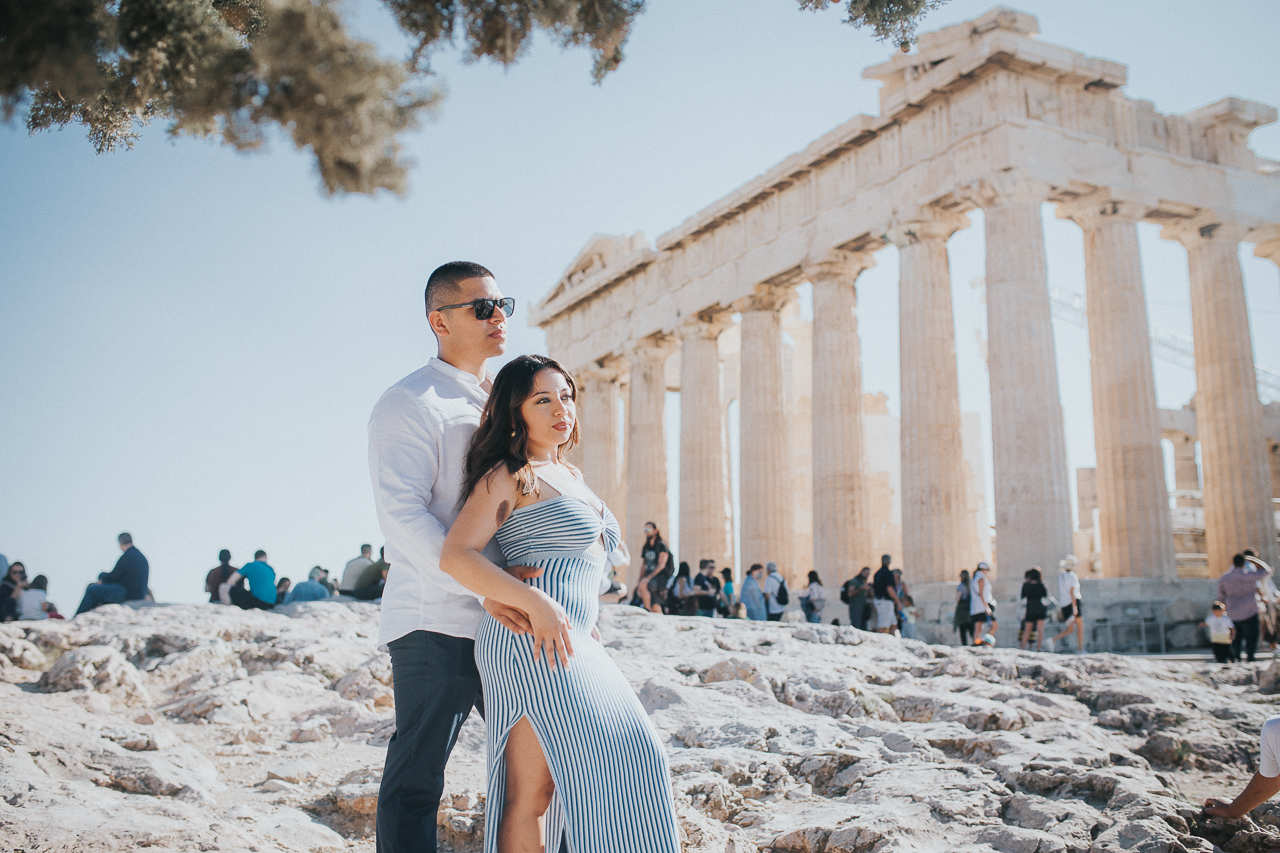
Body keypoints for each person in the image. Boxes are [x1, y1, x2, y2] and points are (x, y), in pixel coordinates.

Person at [439, 353, 680, 853]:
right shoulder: (509, 474)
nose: (560, 409)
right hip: (528, 640)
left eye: (566, 396)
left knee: (637, 756)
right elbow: (456, 555)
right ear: (515, 411)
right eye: (542, 399)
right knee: (533, 793)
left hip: (577, 642)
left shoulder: (571, 475)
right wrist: (530, 600)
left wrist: (585, 621)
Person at [367, 261, 544, 853]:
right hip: (433, 619)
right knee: (418, 776)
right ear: (438, 321)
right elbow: (404, 517)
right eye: (482, 308)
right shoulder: (408, 402)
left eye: (503, 305)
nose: (499, 317)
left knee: (548, 764)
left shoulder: (506, 398)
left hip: (507, 618)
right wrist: (486, 586)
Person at [1204, 716, 1280, 819]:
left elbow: (1272, 776)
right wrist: (1232, 810)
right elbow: (1272, 776)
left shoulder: (1275, 727)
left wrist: (1232, 810)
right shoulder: (1275, 728)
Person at [75, 533, 149, 616]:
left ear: (120, 543)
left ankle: (78, 615)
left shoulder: (128, 556)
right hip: (138, 594)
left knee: (92, 589)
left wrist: (102, 577)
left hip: (127, 594)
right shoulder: (140, 556)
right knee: (96, 590)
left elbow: (113, 576)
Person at [1220, 553, 1264, 663]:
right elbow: (1267, 571)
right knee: (1252, 636)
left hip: (1233, 612)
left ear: (1232, 563)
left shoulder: (1225, 578)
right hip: (1250, 610)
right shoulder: (1249, 575)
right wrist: (1254, 560)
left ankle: (1236, 657)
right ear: (1244, 563)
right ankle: (1250, 657)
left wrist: (1223, 611)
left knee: (1235, 637)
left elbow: (1221, 597)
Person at [1051, 557, 1084, 654]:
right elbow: (1072, 592)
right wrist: (1075, 607)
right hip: (1073, 603)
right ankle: (1080, 650)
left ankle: (1052, 640)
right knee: (1080, 627)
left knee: (1070, 629)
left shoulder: (1061, 576)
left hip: (1064, 604)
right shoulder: (1072, 576)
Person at [636, 523, 671, 613]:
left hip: (660, 577)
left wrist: (648, 578)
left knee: (646, 588)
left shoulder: (661, 545)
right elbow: (643, 565)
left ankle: (647, 609)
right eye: (645, 530)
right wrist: (640, 579)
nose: (646, 532)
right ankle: (651, 611)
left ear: (655, 531)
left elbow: (661, 565)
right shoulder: (646, 547)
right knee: (655, 603)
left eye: (649, 530)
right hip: (649, 577)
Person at [1019, 567, 1049, 651]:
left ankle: (1023, 647)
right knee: (1040, 630)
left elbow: (1022, 596)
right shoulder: (1041, 584)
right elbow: (1045, 595)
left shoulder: (1026, 585)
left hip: (1030, 608)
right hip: (1040, 607)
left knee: (1027, 630)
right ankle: (1038, 648)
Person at [969, 561, 997, 645]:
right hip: (982, 607)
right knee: (994, 625)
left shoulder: (974, 578)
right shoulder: (981, 578)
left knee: (978, 628)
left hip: (975, 607)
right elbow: (982, 594)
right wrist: (986, 607)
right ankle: (984, 642)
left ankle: (977, 643)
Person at [871, 555, 899, 634]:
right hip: (884, 601)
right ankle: (880, 641)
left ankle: (892, 641)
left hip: (881, 601)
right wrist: (897, 601)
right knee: (882, 624)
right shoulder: (887, 573)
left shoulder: (877, 574)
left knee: (893, 623)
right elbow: (889, 588)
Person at [841, 567, 872, 631]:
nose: (866, 575)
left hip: (863, 607)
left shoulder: (863, 582)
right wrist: (861, 588)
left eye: (868, 573)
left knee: (863, 627)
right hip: (855, 607)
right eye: (865, 573)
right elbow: (850, 593)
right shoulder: (855, 581)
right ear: (862, 572)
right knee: (856, 626)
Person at [955, 569, 974, 646]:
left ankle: (964, 645)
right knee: (971, 628)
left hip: (962, 609)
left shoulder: (961, 586)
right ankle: (975, 642)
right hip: (970, 608)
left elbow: (958, 598)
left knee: (962, 628)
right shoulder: (971, 585)